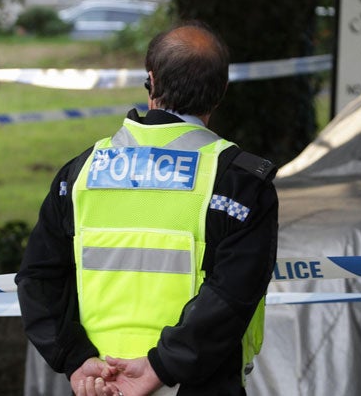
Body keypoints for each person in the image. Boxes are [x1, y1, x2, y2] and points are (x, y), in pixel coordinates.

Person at [15, 20, 278, 396]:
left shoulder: (81, 172)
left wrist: (75, 359)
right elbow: (232, 294)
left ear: (150, 80)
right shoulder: (241, 183)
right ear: (221, 91)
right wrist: (161, 367)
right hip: (199, 384)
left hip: (100, 384)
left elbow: (37, 277)